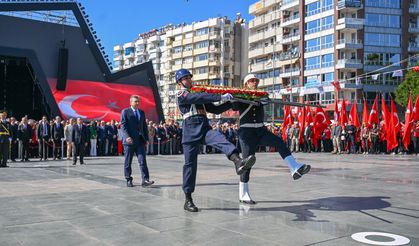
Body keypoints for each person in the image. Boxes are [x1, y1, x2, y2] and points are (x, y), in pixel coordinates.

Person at [175, 69, 256, 212]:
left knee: (220, 138)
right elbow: (196, 98)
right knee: (190, 166)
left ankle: (238, 161)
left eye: (189, 77)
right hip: (189, 130)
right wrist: (220, 96)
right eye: (185, 78)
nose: (189, 80)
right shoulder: (182, 93)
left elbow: (215, 110)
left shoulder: (197, 94)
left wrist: (231, 102)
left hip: (203, 126)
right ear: (180, 82)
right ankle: (188, 199)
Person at [231, 74, 310, 204]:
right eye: (252, 81)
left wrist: (264, 100)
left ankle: (294, 168)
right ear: (246, 84)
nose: (255, 82)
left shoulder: (261, 95)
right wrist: (236, 98)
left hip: (261, 130)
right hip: (247, 132)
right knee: (247, 163)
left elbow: (266, 100)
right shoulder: (240, 95)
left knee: (279, 142)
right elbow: (234, 106)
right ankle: (243, 194)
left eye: (256, 80)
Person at [120, 95, 154, 188]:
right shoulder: (125, 112)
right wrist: (127, 136)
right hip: (129, 141)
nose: (137, 103)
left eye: (138, 101)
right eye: (135, 101)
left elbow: (144, 127)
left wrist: (146, 139)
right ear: (131, 102)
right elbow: (123, 125)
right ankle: (128, 179)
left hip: (140, 141)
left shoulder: (141, 112)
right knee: (128, 161)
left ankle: (145, 180)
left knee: (142, 160)